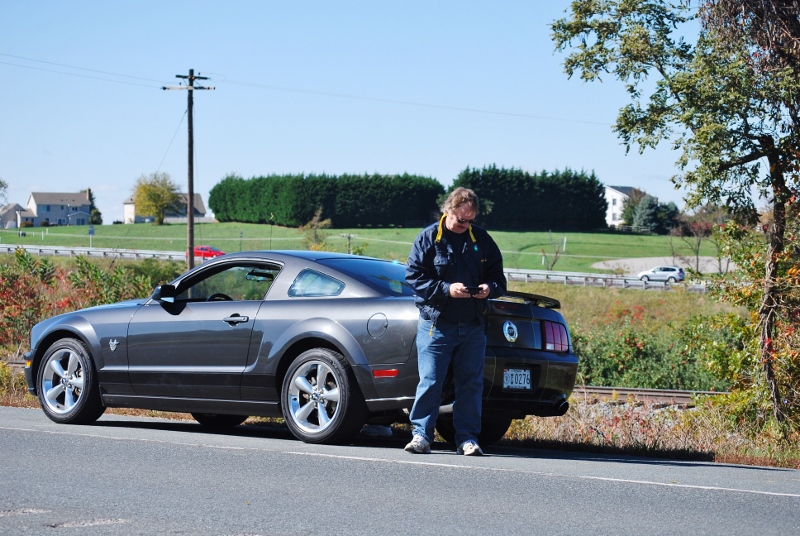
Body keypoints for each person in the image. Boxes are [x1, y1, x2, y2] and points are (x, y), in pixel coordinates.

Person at [404, 187, 506, 456]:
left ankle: (467, 439)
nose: (465, 224)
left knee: (471, 384)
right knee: (431, 380)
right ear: (447, 211)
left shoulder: (482, 239)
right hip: (436, 325)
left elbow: (499, 278)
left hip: (473, 326)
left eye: (470, 220)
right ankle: (421, 436)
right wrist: (446, 289)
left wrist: (489, 288)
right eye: (461, 219)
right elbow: (414, 277)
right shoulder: (427, 238)